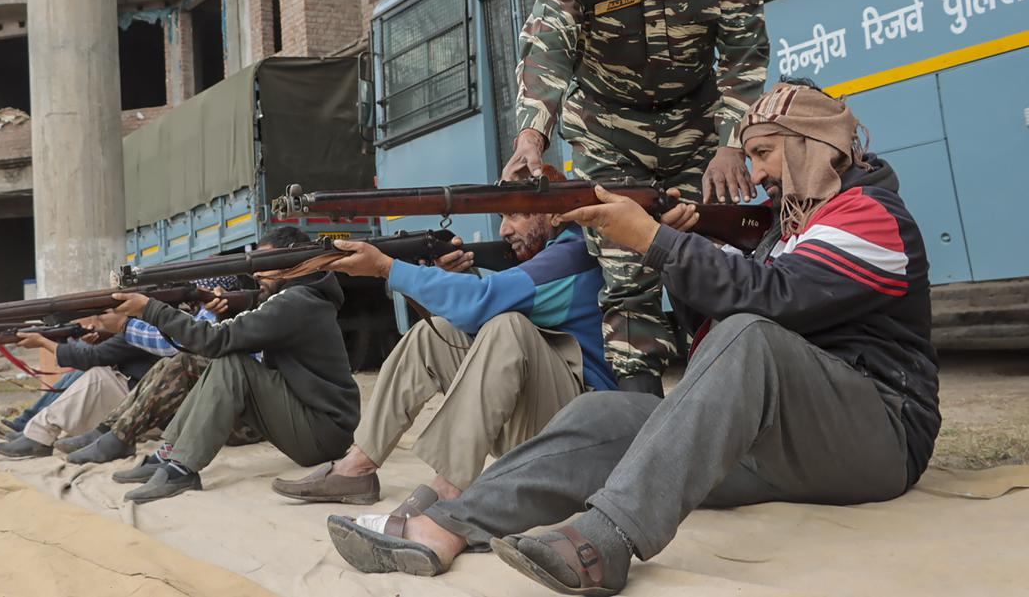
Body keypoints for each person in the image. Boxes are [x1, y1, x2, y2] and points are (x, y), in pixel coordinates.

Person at [327, 82, 940, 596]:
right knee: (606, 412)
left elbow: (769, 306)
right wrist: (678, 256)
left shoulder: (871, 215)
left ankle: (607, 538)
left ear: (812, 146)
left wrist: (659, 242)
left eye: (764, 154)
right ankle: (447, 526)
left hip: (882, 435)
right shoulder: (793, 227)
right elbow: (725, 327)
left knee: (748, 333)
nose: (753, 174)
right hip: (785, 440)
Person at [501, 0, 769, 395]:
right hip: (608, 134)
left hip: (699, 131)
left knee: (709, 266)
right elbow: (547, 50)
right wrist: (531, 139)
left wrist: (730, 143)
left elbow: (744, 44)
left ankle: (723, 403)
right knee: (627, 282)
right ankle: (639, 421)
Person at [272, 201, 616, 522]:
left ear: (555, 216)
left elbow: (485, 303)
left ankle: (448, 488)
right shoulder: (547, 258)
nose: (504, 230)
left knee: (507, 327)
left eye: (515, 215)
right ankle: (358, 467)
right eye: (501, 218)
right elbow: (481, 317)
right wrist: (457, 276)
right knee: (434, 333)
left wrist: (386, 267)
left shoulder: (572, 255)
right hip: (543, 417)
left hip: (577, 434)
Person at [108, 226, 360, 504]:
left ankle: (181, 468)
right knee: (223, 360)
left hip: (322, 434)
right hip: (316, 423)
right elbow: (224, 338)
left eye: (266, 265)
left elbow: (218, 339)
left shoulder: (297, 302)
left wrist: (151, 309)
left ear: (292, 262)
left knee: (231, 364)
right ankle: (169, 453)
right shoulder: (299, 298)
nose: (257, 273)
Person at [52, 277, 265, 465]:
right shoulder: (206, 314)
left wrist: (126, 324)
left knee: (183, 361)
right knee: (166, 364)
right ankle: (109, 432)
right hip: (227, 415)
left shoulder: (235, 315)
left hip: (247, 425)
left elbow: (175, 344)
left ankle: (119, 438)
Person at [0, 324, 159, 458]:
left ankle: (39, 436)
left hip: (148, 410)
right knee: (90, 371)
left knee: (97, 374)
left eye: (105, 314)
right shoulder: (143, 326)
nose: (100, 320)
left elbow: (90, 357)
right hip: (141, 401)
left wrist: (43, 342)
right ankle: (29, 425)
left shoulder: (141, 328)